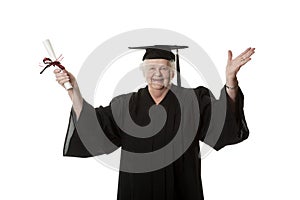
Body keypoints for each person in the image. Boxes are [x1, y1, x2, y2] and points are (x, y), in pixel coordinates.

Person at [54, 45, 255, 200]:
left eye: (163, 68)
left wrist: (230, 82)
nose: (157, 74)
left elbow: (223, 121)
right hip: (137, 192)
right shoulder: (126, 105)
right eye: (151, 68)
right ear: (143, 72)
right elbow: (94, 127)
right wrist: (73, 90)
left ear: (173, 72)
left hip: (182, 192)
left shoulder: (192, 101)